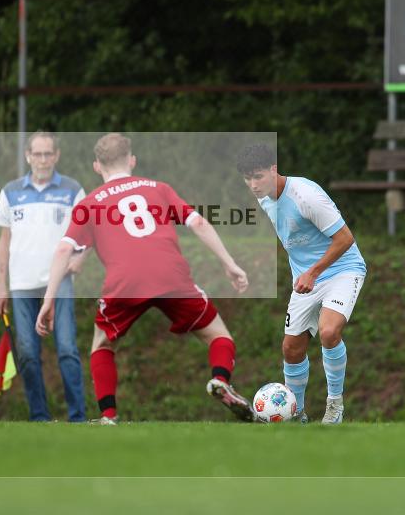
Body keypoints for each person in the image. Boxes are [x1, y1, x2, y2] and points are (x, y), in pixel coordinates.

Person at [35, 133, 252, 424]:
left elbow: (64, 248)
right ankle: (220, 379)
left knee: (101, 346)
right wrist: (230, 263)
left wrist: (48, 300)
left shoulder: (89, 204)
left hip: (125, 282)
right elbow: (197, 222)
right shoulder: (158, 188)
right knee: (219, 335)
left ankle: (108, 415)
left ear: (97, 166)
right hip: (170, 276)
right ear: (132, 160)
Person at [236, 143, 366, 425]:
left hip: (342, 268)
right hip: (307, 279)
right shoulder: (264, 198)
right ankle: (295, 414)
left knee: (329, 331)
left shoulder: (306, 195)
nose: (253, 184)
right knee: (290, 349)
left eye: (258, 176)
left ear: (274, 169)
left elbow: (345, 239)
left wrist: (313, 272)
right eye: (247, 179)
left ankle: (334, 406)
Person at [0, 131, 88, 422]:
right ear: (28, 156)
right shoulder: (10, 191)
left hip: (59, 284)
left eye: (48, 154)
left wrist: (80, 257)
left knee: (68, 350)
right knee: (28, 355)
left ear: (56, 156)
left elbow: (88, 232)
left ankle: (78, 418)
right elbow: (4, 241)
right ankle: (39, 418)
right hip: (21, 286)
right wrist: (0, 285)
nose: (43, 159)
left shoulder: (73, 190)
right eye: (38, 154)